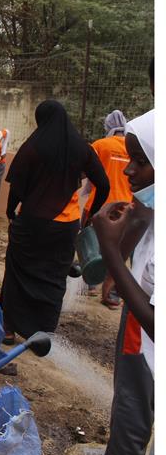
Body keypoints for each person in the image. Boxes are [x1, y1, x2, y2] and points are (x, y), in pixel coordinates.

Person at [0, 100, 110, 360]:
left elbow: (16, 187)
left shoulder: (33, 148)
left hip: (32, 223)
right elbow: (103, 184)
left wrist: (10, 212)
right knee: (54, 277)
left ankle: (8, 329)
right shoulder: (82, 149)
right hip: (65, 227)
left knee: (17, 273)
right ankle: (43, 334)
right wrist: (90, 215)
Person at [92, 65, 155, 455]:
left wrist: (110, 253)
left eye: (137, 161)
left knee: (130, 429)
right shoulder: (152, 206)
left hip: (147, 344)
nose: (128, 170)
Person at [80, 110, 133, 309]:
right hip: (125, 208)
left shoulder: (100, 145)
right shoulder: (132, 146)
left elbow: (86, 172)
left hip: (100, 205)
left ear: (108, 127)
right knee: (117, 251)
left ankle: (91, 285)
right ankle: (110, 294)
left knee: (90, 242)